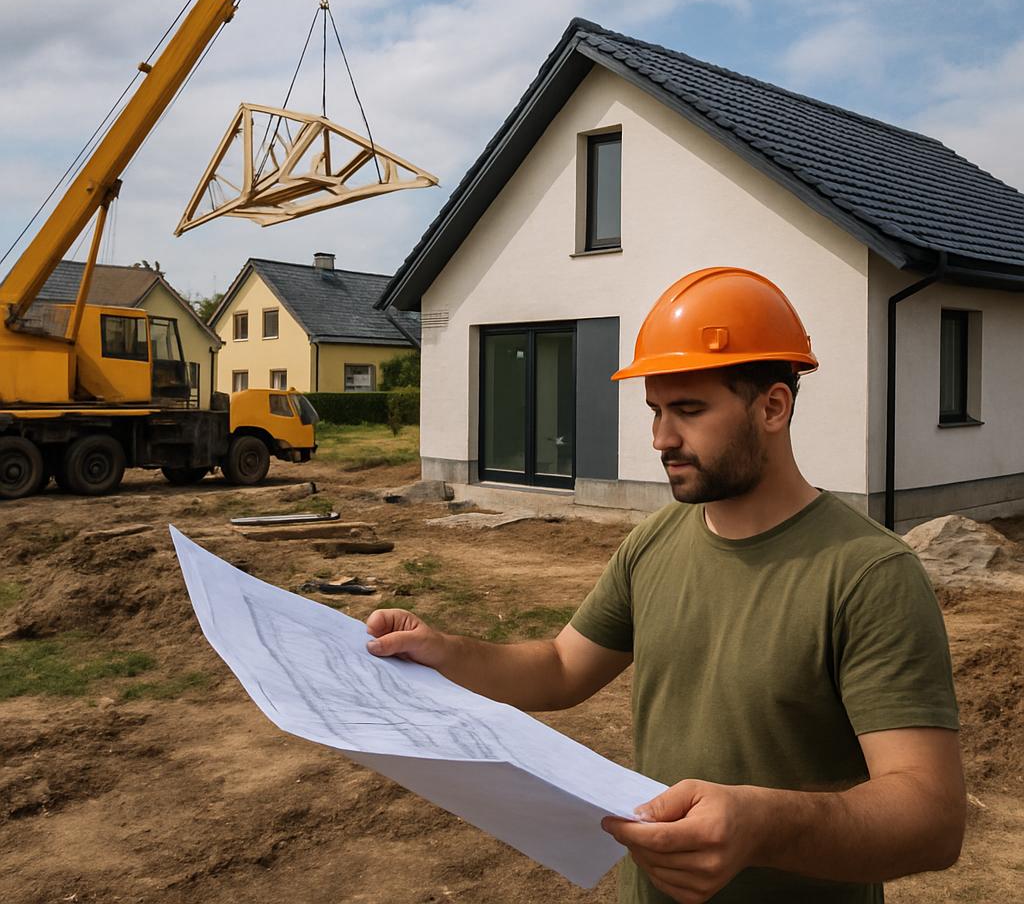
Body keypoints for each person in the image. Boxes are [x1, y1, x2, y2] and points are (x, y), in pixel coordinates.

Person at [365, 266, 965, 903]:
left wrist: (763, 827)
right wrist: (444, 651)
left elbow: (929, 819)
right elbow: (562, 667)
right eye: (655, 410)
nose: (661, 439)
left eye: (688, 410)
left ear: (773, 406)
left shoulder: (868, 575)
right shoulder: (654, 543)